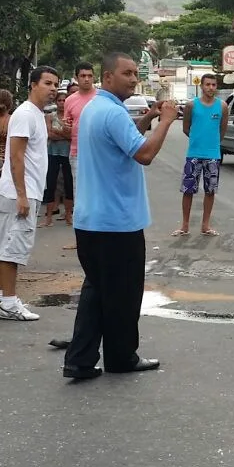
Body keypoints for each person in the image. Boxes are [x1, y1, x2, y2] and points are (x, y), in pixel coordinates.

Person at [65, 52, 179, 379]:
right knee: (123, 295)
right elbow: (143, 153)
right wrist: (167, 121)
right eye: (126, 73)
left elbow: (125, 138)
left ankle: (80, 360)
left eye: (134, 73)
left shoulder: (95, 108)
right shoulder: (111, 113)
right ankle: (121, 357)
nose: (132, 78)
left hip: (92, 221)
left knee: (98, 293)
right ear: (107, 77)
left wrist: (146, 120)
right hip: (116, 224)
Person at [0, 67, 60, 321]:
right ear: (32, 84)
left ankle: (0, 295)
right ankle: (9, 302)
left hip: (22, 189)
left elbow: (19, 156)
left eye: (55, 84)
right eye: (47, 83)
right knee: (13, 248)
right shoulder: (25, 114)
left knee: (6, 243)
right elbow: (17, 155)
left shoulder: (37, 114)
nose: (53, 89)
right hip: (22, 191)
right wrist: (21, 194)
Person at [175, 74, 228, 236]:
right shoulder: (192, 106)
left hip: (213, 155)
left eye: (213, 85)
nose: (211, 88)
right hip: (194, 154)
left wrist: (211, 144)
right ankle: (185, 225)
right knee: (188, 190)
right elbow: (186, 128)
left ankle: (205, 225)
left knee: (210, 191)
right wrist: (197, 140)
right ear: (201, 86)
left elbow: (222, 130)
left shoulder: (222, 106)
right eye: (207, 85)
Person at [62, 62, 99, 251]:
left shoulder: (100, 97)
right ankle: (81, 239)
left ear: (94, 77)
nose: (86, 79)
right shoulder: (70, 100)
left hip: (99, 154)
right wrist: (66, 128)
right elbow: (66, 124)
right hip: (77, 153)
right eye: (82, 76)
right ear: (76, 77)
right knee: (80, 197)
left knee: (99, 194)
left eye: (89, 76)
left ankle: (101, 235)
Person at [42, 91, 74, 228]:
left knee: (69, 184)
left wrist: (59, 133)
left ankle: (68, 215)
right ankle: (48, 217)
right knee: (51, 182)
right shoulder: (50, 116)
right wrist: (65, 134)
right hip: (53, 153)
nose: (62, 103)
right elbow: (49, 134)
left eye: (64, 100)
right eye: (59, 100)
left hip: (68, 153)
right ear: (56, 102)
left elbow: (73, 135)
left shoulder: (71, 117)